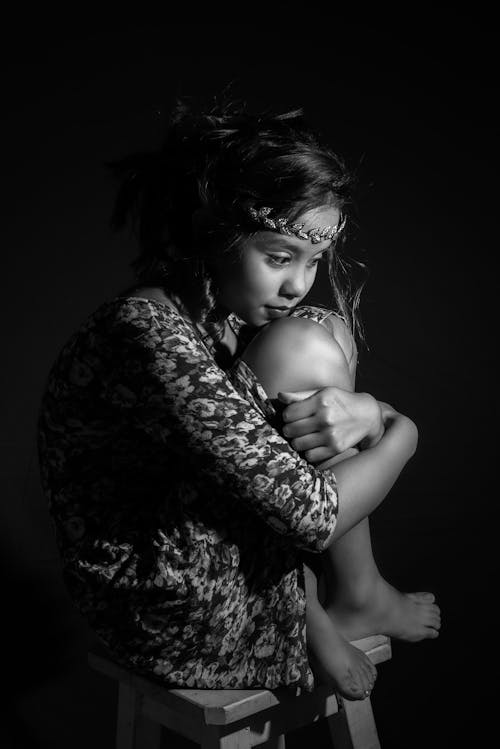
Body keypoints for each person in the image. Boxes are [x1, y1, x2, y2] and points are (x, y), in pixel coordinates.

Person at [37, 98, 440, 702]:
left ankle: (355, 595)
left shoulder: (224, 315)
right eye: (278, 257)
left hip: (220, 534)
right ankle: (326, 608)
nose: (296, 283)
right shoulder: (146, 333)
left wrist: (361, 408)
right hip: (170, 603)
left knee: (324, 327)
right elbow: (312, 518)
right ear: (214, 234)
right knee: (306, 344)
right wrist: (399, 427)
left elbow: (250, 476)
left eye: (313, 260)